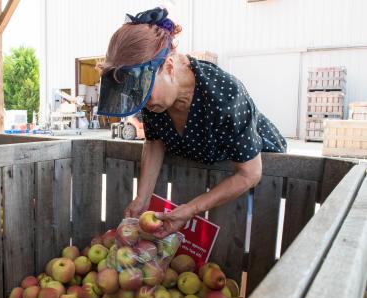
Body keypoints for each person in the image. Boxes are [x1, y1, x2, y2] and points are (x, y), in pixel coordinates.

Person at [97, 7, 287, 238]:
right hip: (205, 179)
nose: (144, 104)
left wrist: (191, 209)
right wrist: (142, 198)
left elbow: (249, 174)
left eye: (145, 94)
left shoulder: (225, 94)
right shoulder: (157, 101)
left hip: (250, 181)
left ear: (168, 67)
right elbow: (155, 141)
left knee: (241, 242)